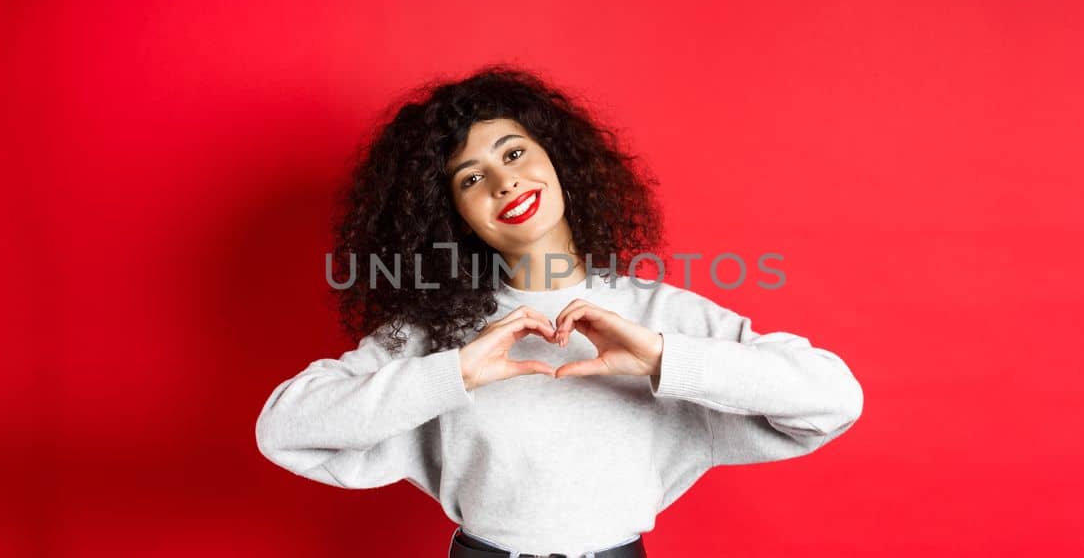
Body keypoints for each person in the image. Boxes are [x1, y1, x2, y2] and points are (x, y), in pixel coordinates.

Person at [254, 65, 865, 558]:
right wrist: (455, 374)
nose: (504, 184)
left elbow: (834, 399)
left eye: (514, 154)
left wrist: (661, 358)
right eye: (471, 179)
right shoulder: (437, 334)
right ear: (451, 218)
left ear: (559, 160)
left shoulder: (657, 314)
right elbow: (283, 429)